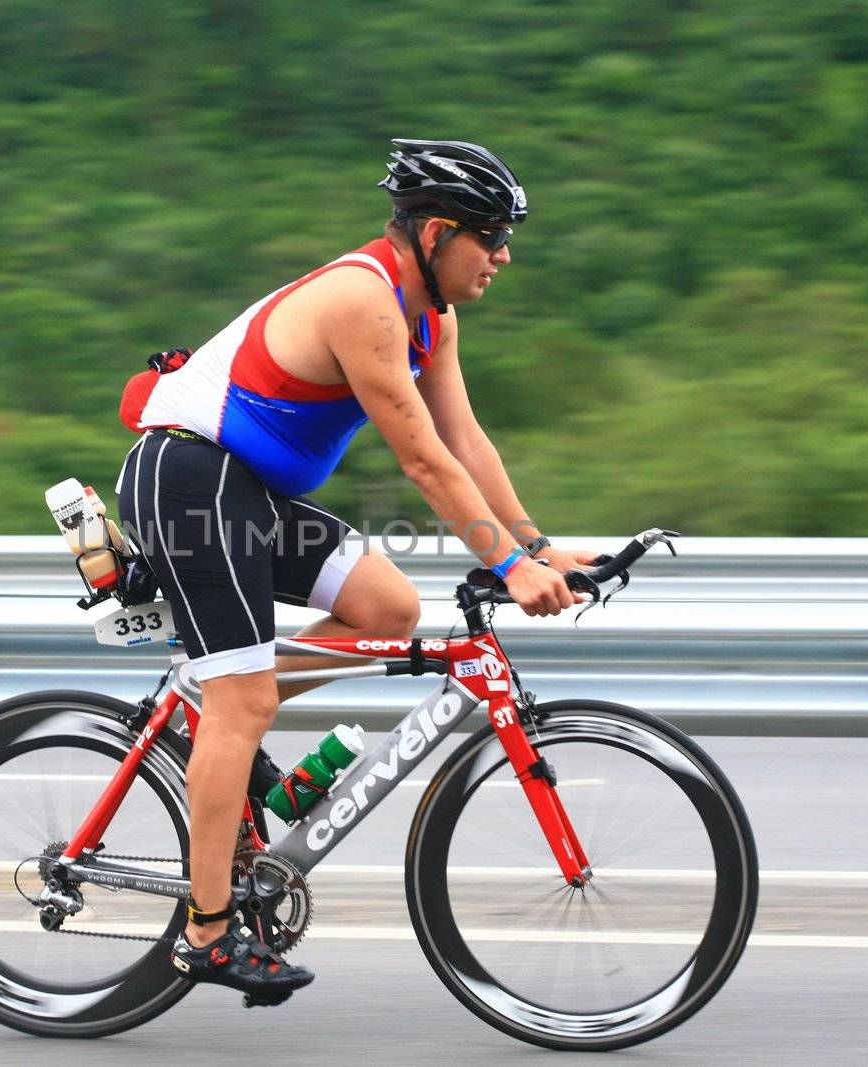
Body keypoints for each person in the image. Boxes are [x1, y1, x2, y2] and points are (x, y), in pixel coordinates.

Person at [115, 138, 595, 1005]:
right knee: (247, 699)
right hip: (188, 478)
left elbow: (465, 441)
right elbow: (420, 460)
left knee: (388, 603)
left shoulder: (432, 318)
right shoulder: (363, 301)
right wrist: (507, 565)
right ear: (438, 231)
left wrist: (535, 545)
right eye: (490, 237)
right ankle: (208, 933)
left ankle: (211, 707)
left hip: (244, 489)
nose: (503, 256)